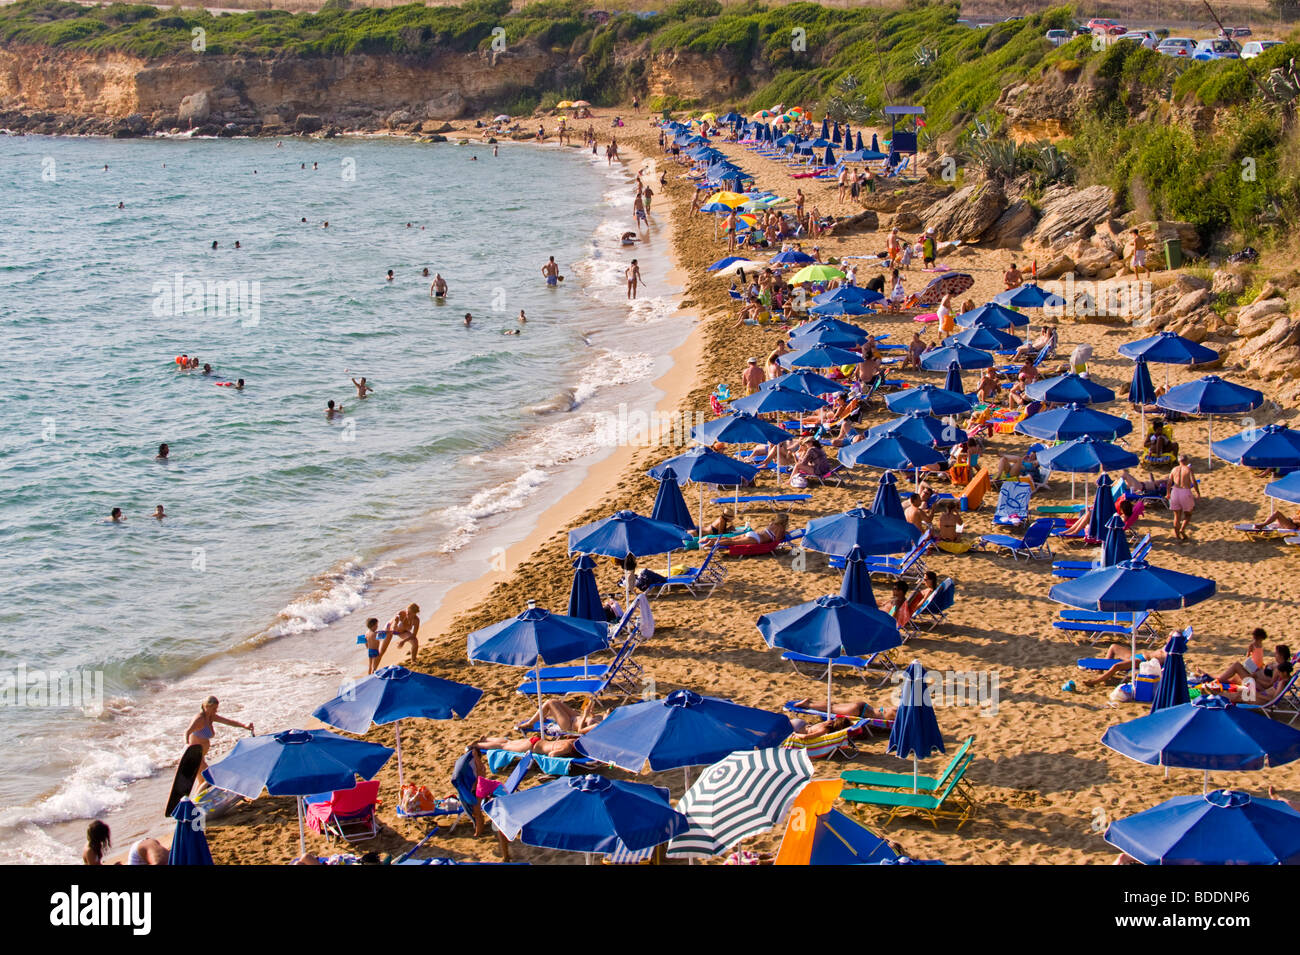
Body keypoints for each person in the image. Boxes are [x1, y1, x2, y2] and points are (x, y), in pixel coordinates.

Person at [186, 695, 253, 782]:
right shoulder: (199, 719)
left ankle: (198, 795)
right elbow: (187, 732)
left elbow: (228, 722)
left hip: (201, 756)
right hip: (195, 756)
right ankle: (200, 795)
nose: (216, 711)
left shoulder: (211, 717)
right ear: (207, 707)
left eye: (216, 708)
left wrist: (244, 726)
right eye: (214, 708)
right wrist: (187, 744)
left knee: (202, 781)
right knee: (208, 778)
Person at [514, 697, 603, 735]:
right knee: (555, 701)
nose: (607, 711)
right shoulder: (602, 719)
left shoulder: (597, 726)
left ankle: (530, 723)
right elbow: (590, 719)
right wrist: (591, 712)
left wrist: (585, 715)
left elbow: (580, 730)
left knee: (550, 702)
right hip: (577, 716)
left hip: (569, 725)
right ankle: (544, 715)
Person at [1168, 454, 1199, 541]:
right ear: (1186, 461)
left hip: (1175, 491)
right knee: (1188, 514)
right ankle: (1182, 529)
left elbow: (1169, 483)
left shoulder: (1174, 469)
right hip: (1185, 491)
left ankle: (1177, 536)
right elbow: (1194, 482)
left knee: (1176, 516)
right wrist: (1197, 493)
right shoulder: (1188, 469)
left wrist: (1168, 493)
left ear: (1179, 461)